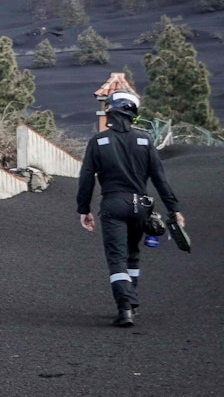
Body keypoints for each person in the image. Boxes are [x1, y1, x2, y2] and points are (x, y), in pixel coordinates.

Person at [76, 90, 184, 327]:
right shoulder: (145, 140)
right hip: (141, 205)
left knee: (117, 257)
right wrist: (173, 209)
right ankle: (131, 302)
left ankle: (125, 307)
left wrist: (84, 209)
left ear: (110, 112)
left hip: (113, 203)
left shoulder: (98, 141)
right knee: (132, 254)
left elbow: (86, 178)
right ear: (133, 113)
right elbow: (160, 179)